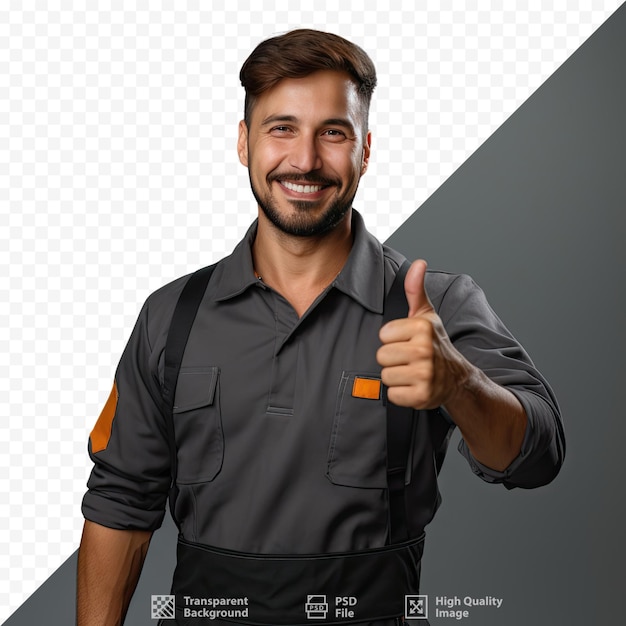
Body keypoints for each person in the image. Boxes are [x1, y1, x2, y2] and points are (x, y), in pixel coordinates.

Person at [77, 29, 565, 626]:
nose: (304, 160)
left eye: (332, 133)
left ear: (365, 150)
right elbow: (120, 503)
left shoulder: (434, 308)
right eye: (281, 128)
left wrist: (460, 385)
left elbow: (540, 456)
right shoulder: (171, 317)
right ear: (243, 142)